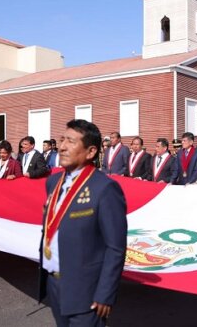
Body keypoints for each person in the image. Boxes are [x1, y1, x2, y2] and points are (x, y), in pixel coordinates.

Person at [39, 119, 127, 326]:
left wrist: (105, 293)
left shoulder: (104, 188)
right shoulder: (53, 182)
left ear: (90, 152)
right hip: (54, 283)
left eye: (71, 141)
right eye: (62, 140)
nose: (61, 147)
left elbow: (115, 247)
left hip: (86, 289)